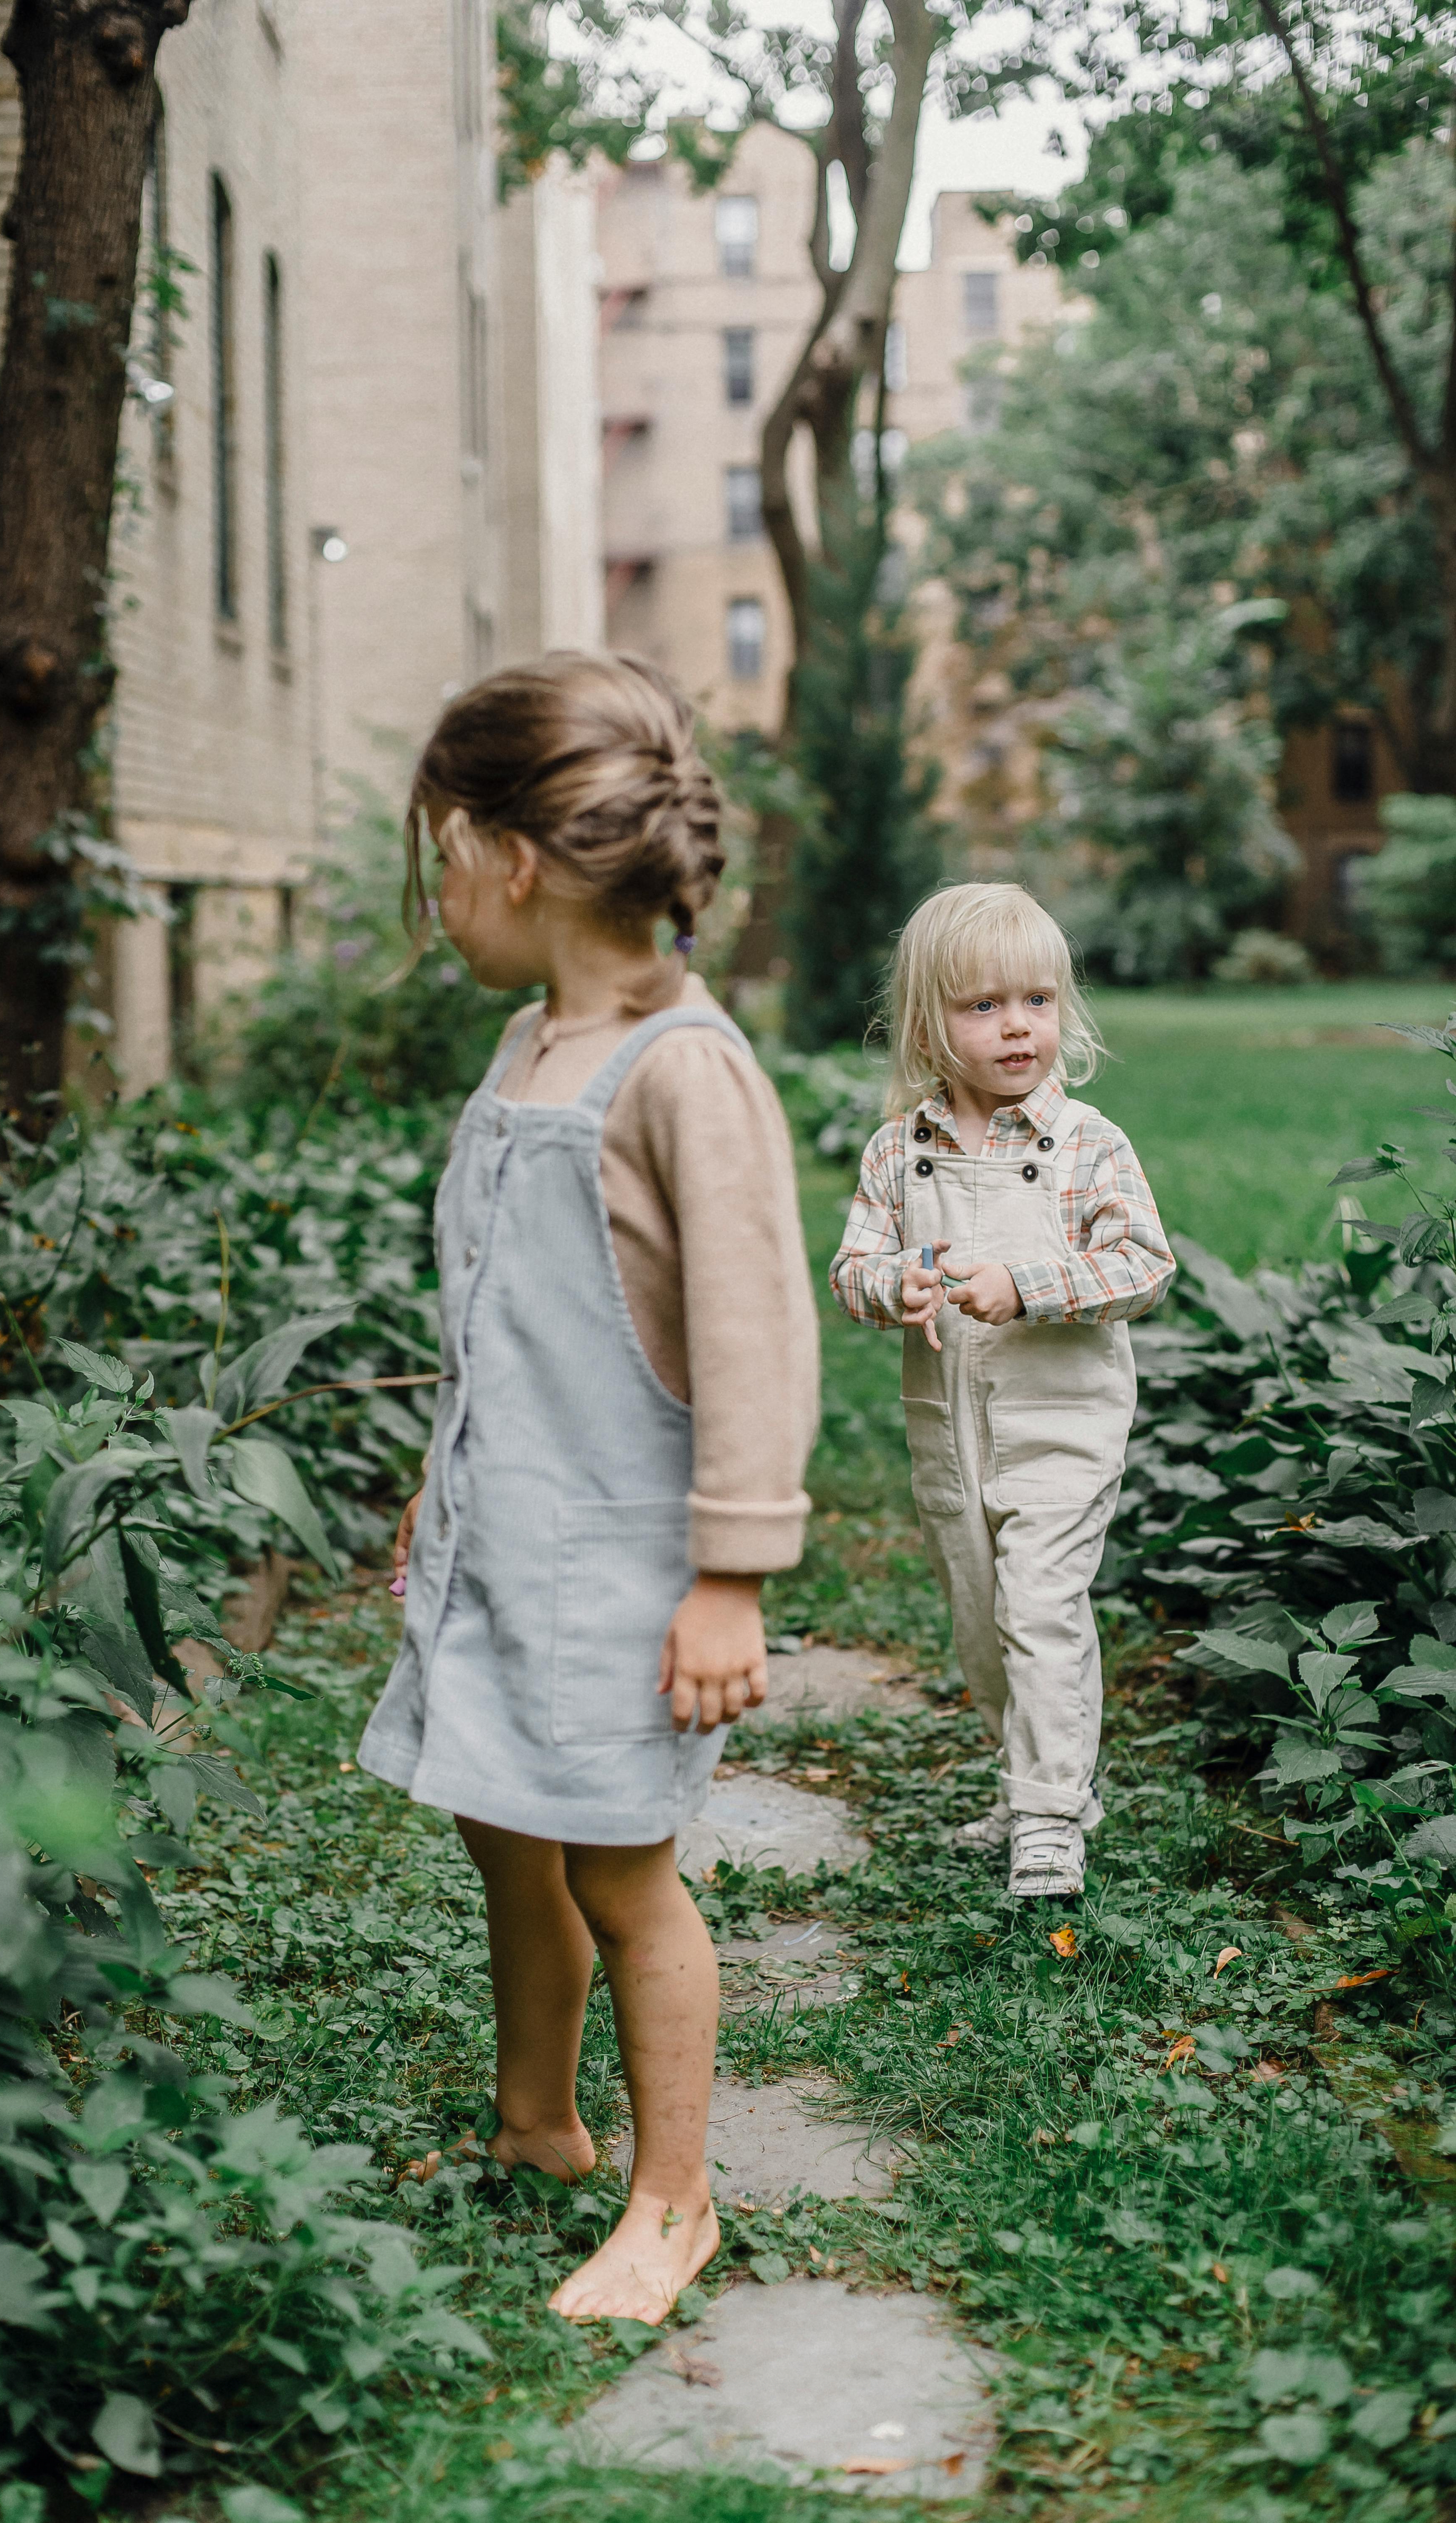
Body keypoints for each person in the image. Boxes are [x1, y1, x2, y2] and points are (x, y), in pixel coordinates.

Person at [359, 652, 818, 2324]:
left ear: (513, 859)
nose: (436, 904)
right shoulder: (529, 1042)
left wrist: (732, 1576)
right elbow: (497, 1316)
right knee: (507, 1841)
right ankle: (538, 2127)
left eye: (438, 865)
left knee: (622, 1875)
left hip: (626, 1564)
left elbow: (757, 1338)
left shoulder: (682, 1072)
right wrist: (444, 1484)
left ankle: (671, 2200)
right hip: (505, 1535)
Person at [830, 883, 1174, 1900]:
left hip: (1061, 1422)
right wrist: (899, 1282)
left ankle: (1047, 1817)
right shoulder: (901, 1150)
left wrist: (1027, 1286)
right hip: (950, 1432)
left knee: (1040, 1606)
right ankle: (1026, 1775)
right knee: (981, 1621)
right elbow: (850, 1270)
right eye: (981, 1005)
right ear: (926, 1025)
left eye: (1034, 999)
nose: (1015, 1024)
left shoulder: (1085, 1146)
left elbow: (1144, 1266)